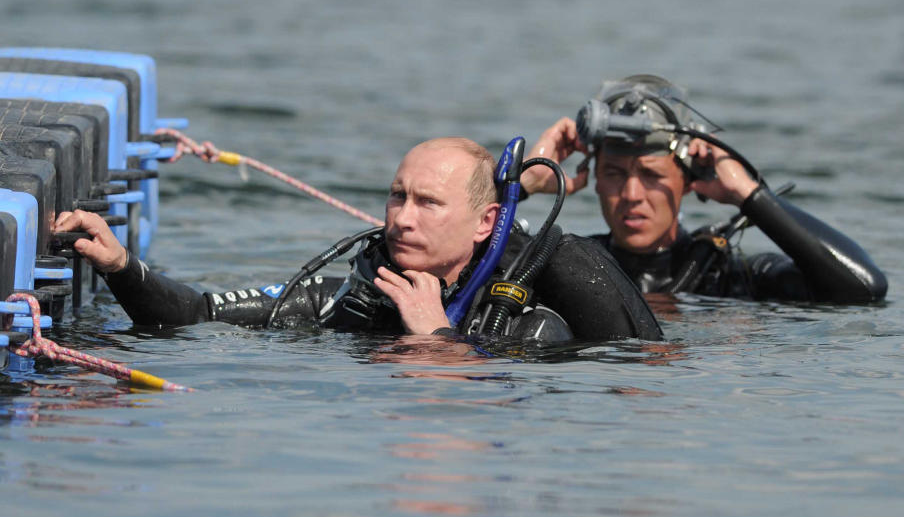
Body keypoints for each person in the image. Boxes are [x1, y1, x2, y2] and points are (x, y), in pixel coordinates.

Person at [55, 137, 662, 342]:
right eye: (398, 196)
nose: (402, 217)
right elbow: (195, 315)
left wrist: (436, 337)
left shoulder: (530, 326)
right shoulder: (349, 298)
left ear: (485, 222)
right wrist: (119, 263)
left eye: (428, 203)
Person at [520, 75, 887, 303]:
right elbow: (466, 261)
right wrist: (525, 183)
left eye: (652, 175)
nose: (632, 194)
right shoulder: (567, 265)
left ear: (687, 181)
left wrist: (749, 195)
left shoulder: (729, 277)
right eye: (615, 174)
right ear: (595, 179)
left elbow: (863, 288)